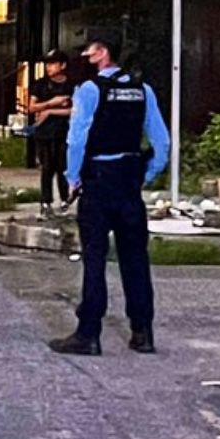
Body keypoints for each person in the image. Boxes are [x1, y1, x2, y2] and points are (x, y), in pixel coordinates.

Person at [48, 36, 170, 356]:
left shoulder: (90, 91)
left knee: (95, 259)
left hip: (98, 183)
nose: (86, 56)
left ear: (104, 53)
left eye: (90, 49)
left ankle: (88, 334)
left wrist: (72, 178)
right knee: (135, 260)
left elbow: (77, 141)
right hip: (130, 182)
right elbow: (162, 143)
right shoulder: (144, 92)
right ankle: (142, 333)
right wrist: (147, 174)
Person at [28, 49, 75, 218]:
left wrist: (51, 112)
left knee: (62, 166)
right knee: (47, 167)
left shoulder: (71, 85)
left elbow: (75, 110)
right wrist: (50, 104)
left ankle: (65, 200)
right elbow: (31, 107)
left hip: (64, 131)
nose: (49, 67)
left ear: (62, 65)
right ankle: (45, 202)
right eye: (47, 64)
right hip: (44, 132)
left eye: (53, 63)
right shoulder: (40, 84)